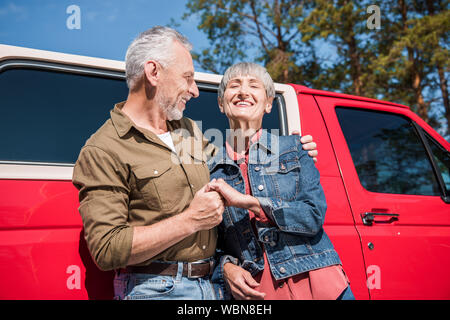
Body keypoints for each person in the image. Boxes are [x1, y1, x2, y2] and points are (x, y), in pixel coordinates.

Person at [72, 27, 318, 300]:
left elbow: (236, 163)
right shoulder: (104, 148)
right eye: (188, 78)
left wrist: (289, 151)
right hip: (157, 289)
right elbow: (107, 249)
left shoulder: (186, 129)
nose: (195, 91)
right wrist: (190, 221)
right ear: (154, 73)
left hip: (213, 287)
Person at [207, 62, 354, 300]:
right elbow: (209, 245)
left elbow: (312, 216)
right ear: (222, 104)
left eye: (253, 85)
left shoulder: (295, 148)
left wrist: (250, 203)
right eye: (234, 85)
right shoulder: (210, 171)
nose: (243, 91)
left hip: (321, 285)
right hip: (259, 293)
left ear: (268, 104)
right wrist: (225, 267)